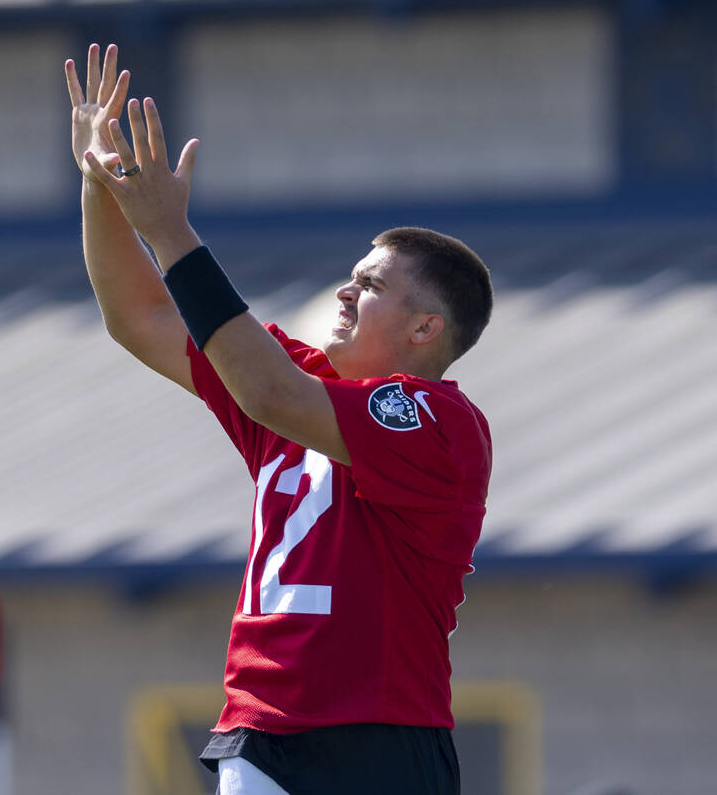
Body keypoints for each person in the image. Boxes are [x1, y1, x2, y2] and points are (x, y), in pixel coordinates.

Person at [66, 44, 493, 795]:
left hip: (379, 738)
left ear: (426, 329)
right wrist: (102, 187)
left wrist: (169, 230)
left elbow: (272, 396)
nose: (344, 292)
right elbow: (140, 316)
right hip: (263, 731)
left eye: (370, 285)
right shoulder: (296, 378)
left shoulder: (437, 418)